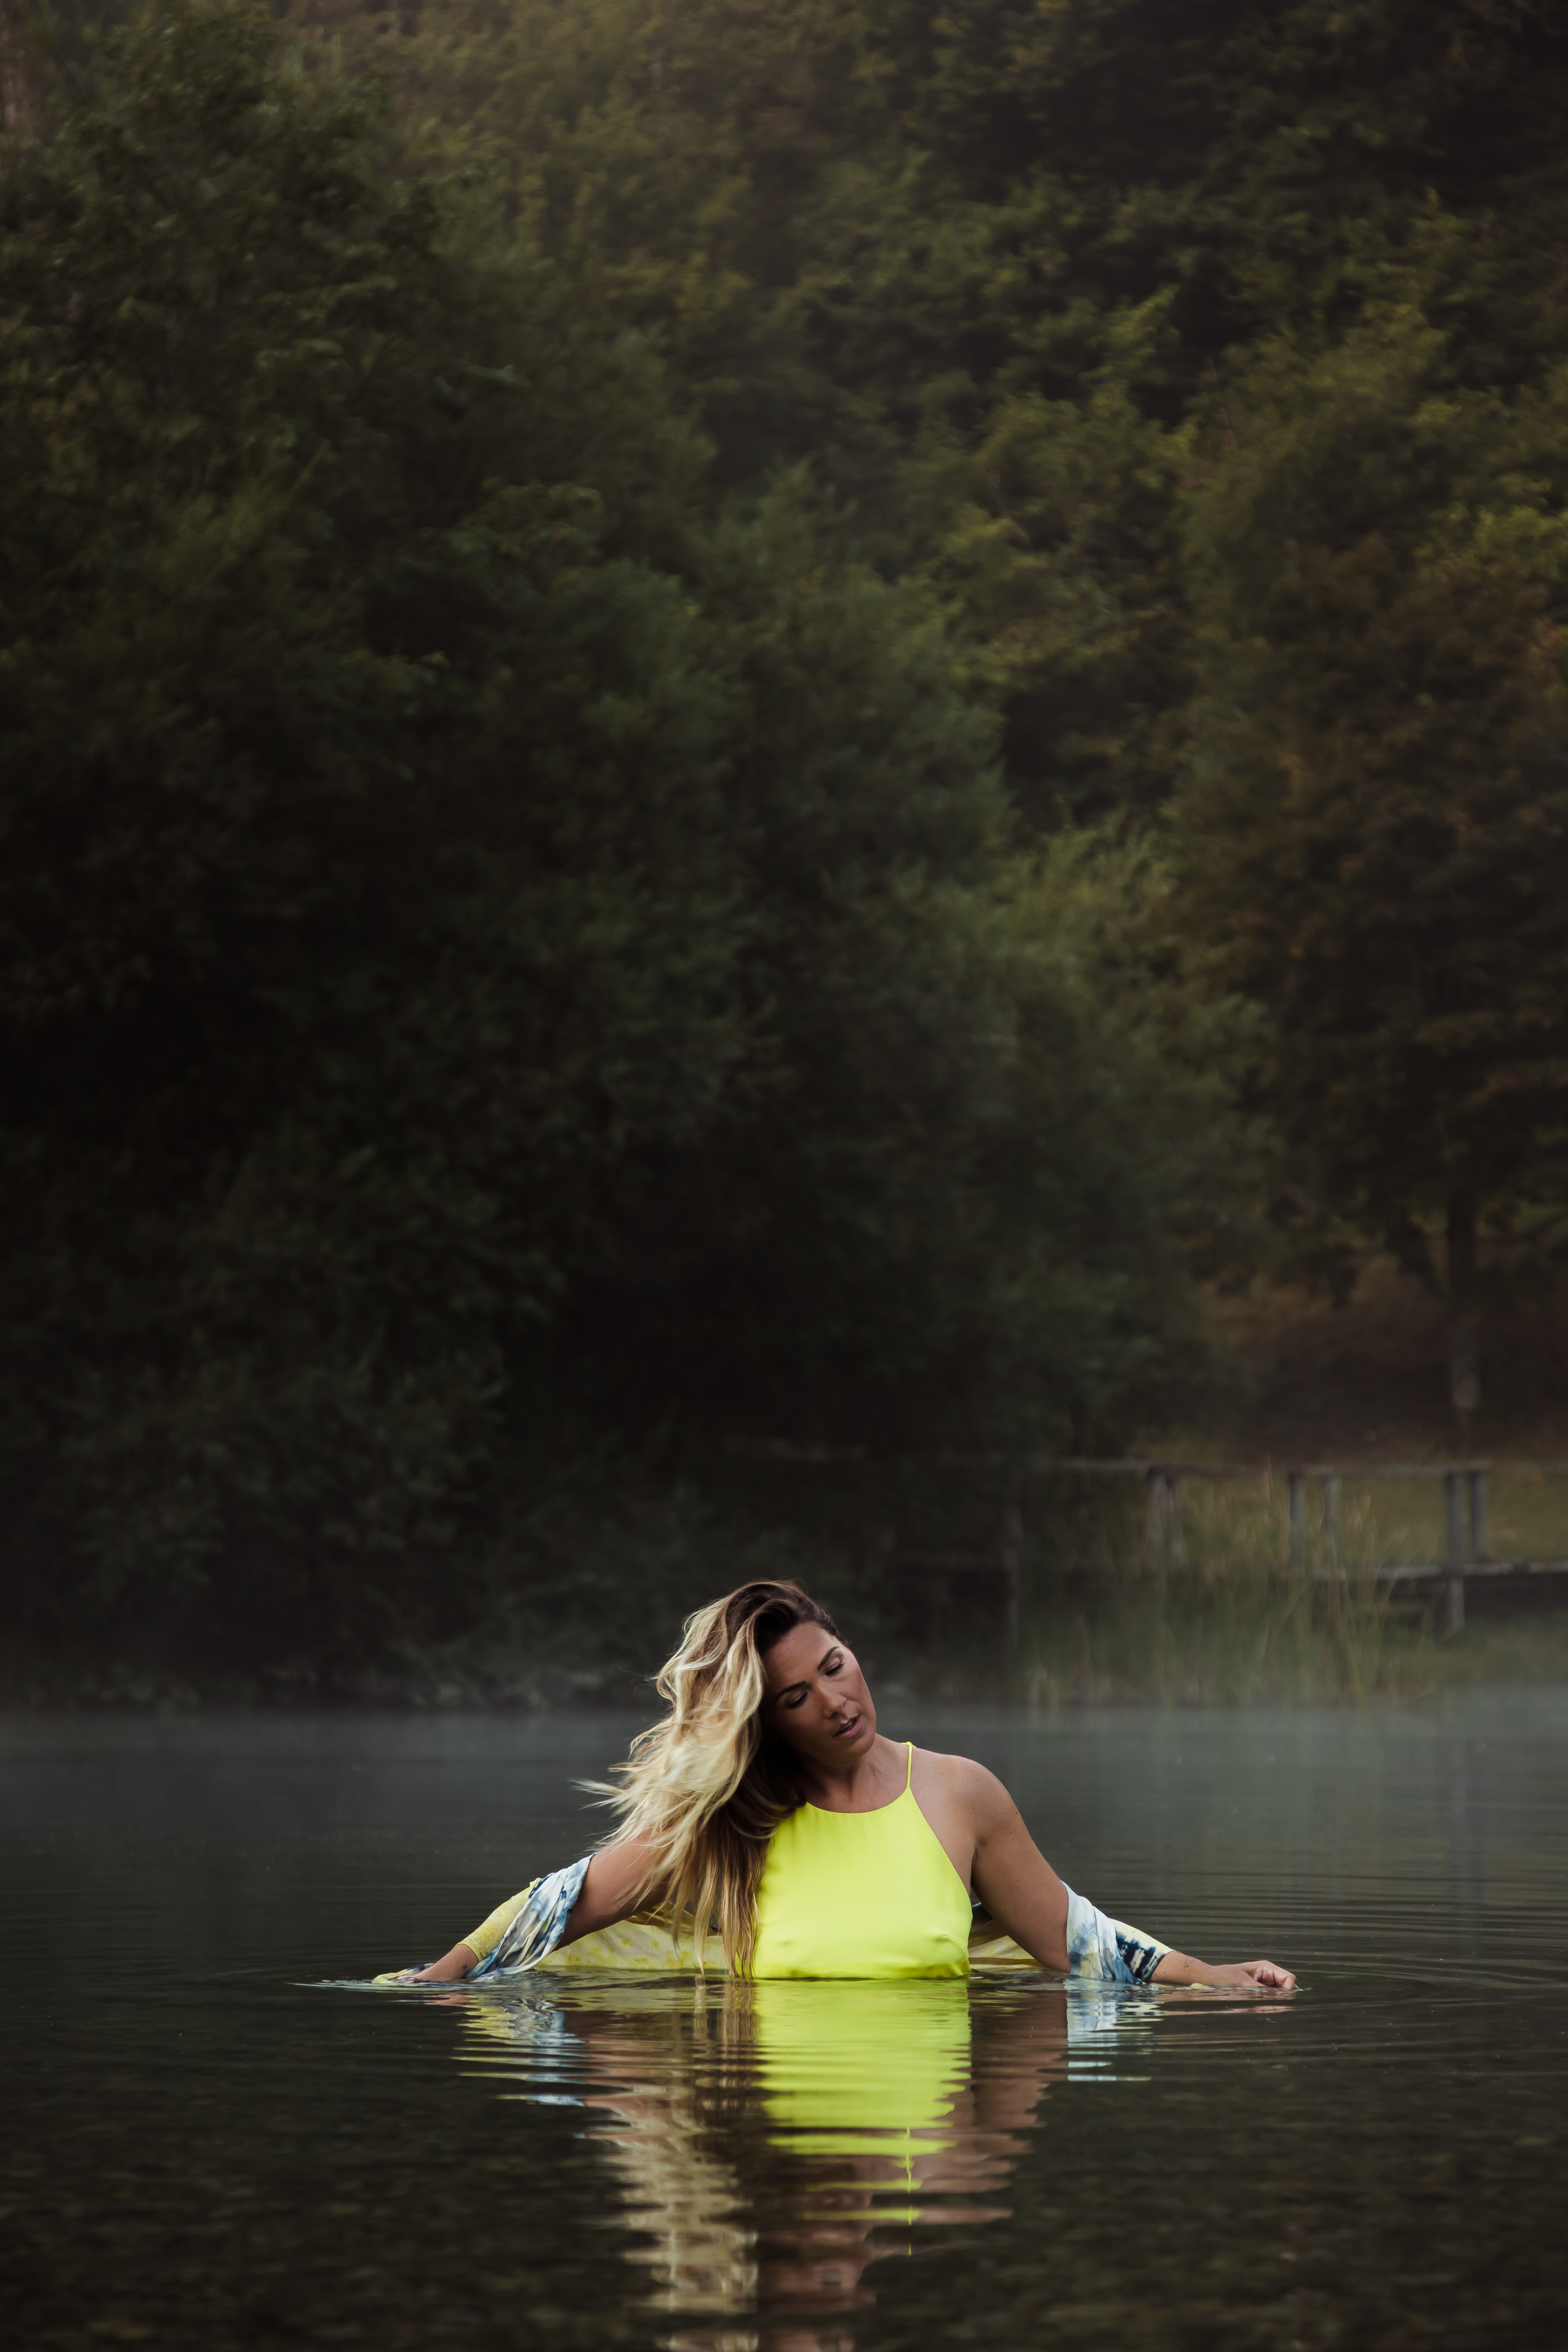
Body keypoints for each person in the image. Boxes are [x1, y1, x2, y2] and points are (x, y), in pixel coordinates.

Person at [397, 1580, 1297, 1991]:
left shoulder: (960, 1794)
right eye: (796, 1695)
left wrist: (1211, 1976)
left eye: (834, 1665)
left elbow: (1076, 1938)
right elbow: (559, 1901)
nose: (834, 1700)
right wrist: (435, 1980)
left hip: (920, 2139)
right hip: (774, 2125)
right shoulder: (733, 1825)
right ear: (767, 1722)